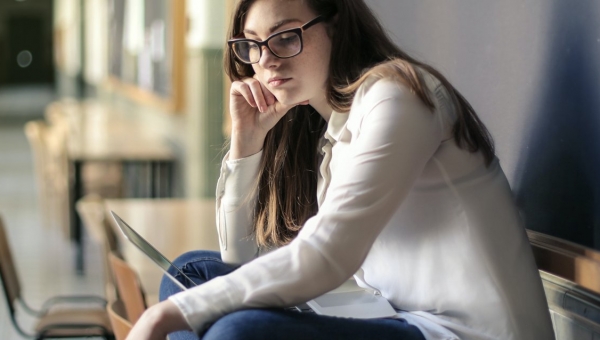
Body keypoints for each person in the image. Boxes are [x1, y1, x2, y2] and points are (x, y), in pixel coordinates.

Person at [126, 0, 555, 339]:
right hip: (392, 314)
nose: (267, 61)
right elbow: (242, 258)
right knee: (191, 276)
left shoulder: (399, 97)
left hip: (464, 332)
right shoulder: (329, 126)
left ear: (336, 26)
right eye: (253, 44)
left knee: (234, 329)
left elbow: (329, 254)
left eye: (285, 37)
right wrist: (248, 143)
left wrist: (170, 315)